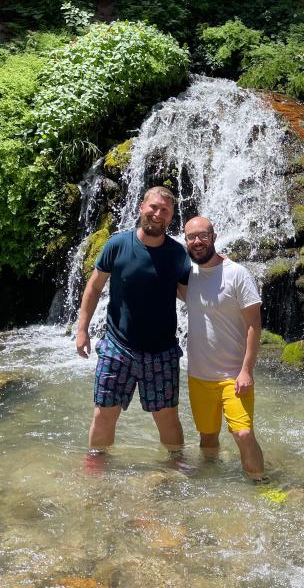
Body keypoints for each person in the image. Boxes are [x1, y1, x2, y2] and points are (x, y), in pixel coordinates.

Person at [75, 186, 192, 458]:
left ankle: (176, 464)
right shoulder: (117, 245)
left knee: (168, 417)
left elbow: (190, 297)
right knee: (104, 413)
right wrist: (82, 330)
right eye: (153, 207)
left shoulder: (177, 254)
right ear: (141, 207)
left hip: (162, 351)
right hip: (118, 347)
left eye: (164, 210)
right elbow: (93, 288)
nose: (157, 214)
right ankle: (96, 464)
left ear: (171, 215)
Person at [181, 215, 266, 481]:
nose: (197, 241)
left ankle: (261, 483)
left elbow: (254, 325)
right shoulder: (187, 275)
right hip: (198, 376)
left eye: (203, 236)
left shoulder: (237, 274)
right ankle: (210, 477)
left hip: (233, 376)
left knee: (242, 433)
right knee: (207, 436)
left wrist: (247, 370)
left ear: (214, 238)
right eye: (191, 237)